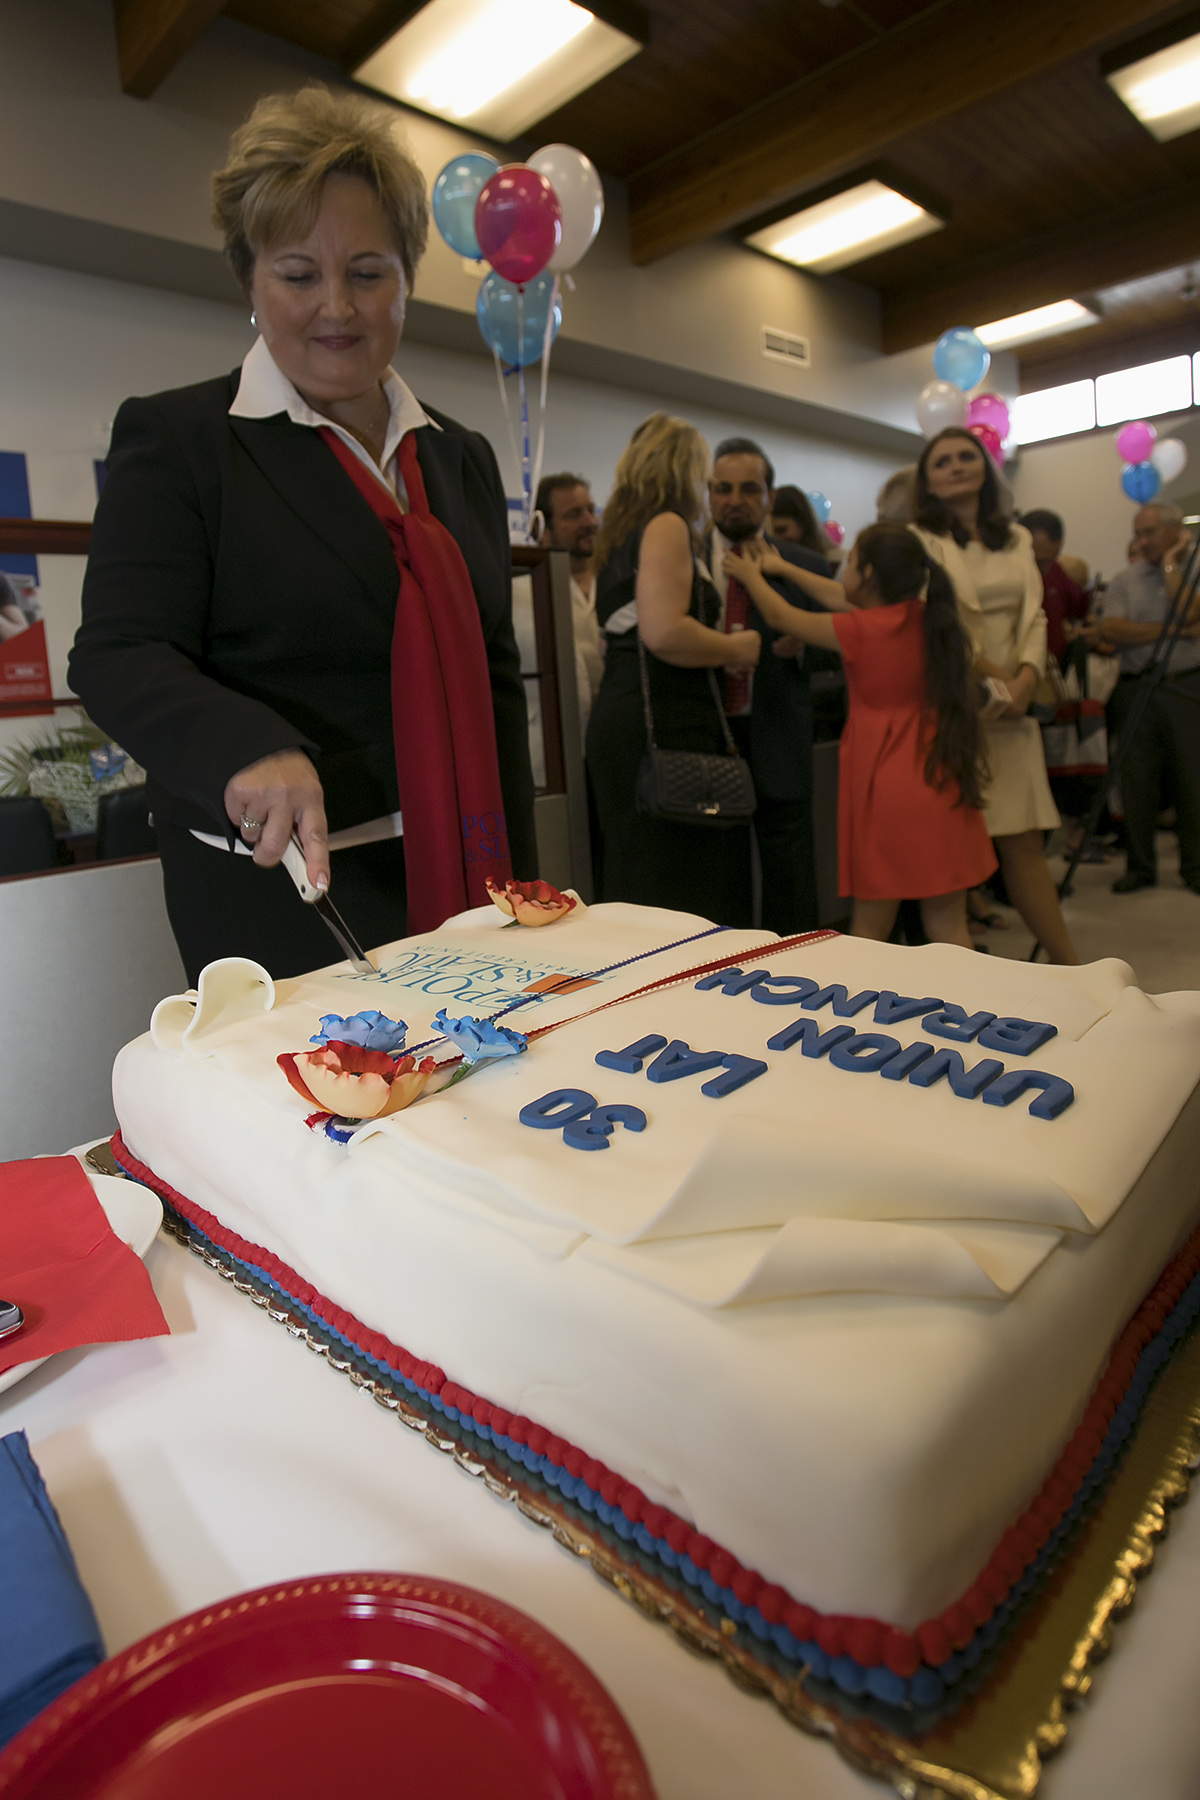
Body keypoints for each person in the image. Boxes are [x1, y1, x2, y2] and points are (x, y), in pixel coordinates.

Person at [69, 85, 535, 984]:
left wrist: (519, 867)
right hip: (286, 895)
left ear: (406, 276)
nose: (338, 309)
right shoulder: (183, 441)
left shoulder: (461, 456)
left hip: (475, 884)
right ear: (250, 279)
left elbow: (496, 677)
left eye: (367, 273)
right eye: (298, 275)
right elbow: (118, 652)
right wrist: (243, 742)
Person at [724, 523, 994, 947]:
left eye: (848, 563)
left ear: (868, 574)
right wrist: (784, 568)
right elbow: (837, 595)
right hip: (940, 774)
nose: (842, 572)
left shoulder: (859, 630)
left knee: (870, 925)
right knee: (947, 923)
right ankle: (967, 1010)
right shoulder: (927, 617)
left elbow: (780, 616)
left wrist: (752, 575)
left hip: (887, 784)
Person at [911, 428, 1078, 964]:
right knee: (952, 855)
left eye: (966, 456)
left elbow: (1036, 615)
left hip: (1017, 707)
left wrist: (1026, 678)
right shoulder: (920, 540)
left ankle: (1070, 966)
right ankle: (966, 985)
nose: (956, 466)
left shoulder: (1019, 539)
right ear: (927, 481)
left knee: (1025, 846)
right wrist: (992, 676)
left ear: (985, 466)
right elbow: (933, 624)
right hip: (960, 708)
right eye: (942, 461)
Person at [584, 414, 761, 922]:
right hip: (662, 716)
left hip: (626, 713)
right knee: (679, 883)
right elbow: (664, 632)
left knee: (639, 878)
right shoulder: (667, 524)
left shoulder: (619, 533)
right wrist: (737, 646)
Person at [707, 436, 835, 932]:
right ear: (709, 493)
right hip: (710, 739)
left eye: (748, 488)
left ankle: (804, 969)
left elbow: (844, 642)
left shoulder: (805, 565)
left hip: (780, 731)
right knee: (719, 874)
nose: (734, 499)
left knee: (791, 875)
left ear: (770, 495)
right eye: (722, 488)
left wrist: (804, 642)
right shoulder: (684, 559)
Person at [1088, 502, 1200, 894]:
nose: (1142, 541)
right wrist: (1175, 630)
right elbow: (1114, 629)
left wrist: (1172, 564)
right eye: (1138, 533)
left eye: (1150, 533)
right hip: (1136, 686)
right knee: (1136, 779)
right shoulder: (1123, 580)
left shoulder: (1192, 573)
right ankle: (1139, 865)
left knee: (1192, 778)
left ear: (1174, 532)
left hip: (1187, 685)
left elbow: (1193, 613)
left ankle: (1195, 867)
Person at [536, 471, 603, 735]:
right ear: (544, 528)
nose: (590, 522)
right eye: (573, 515)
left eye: (590, 510)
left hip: (613, 739)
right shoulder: (532, 592)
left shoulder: (615, 581)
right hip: (560, 739)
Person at [1021, 508, 1089, 666]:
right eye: (1037, 561)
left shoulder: (1056, 572)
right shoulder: (1010, 580)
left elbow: (1078, 607)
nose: (1043, 569)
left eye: (1050, 559)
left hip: (1052, 666)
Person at [769, 485, 829, 556]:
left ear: (803, 524)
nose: (775, 538)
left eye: (781, 530)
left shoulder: (832, 562)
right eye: (768, 533)